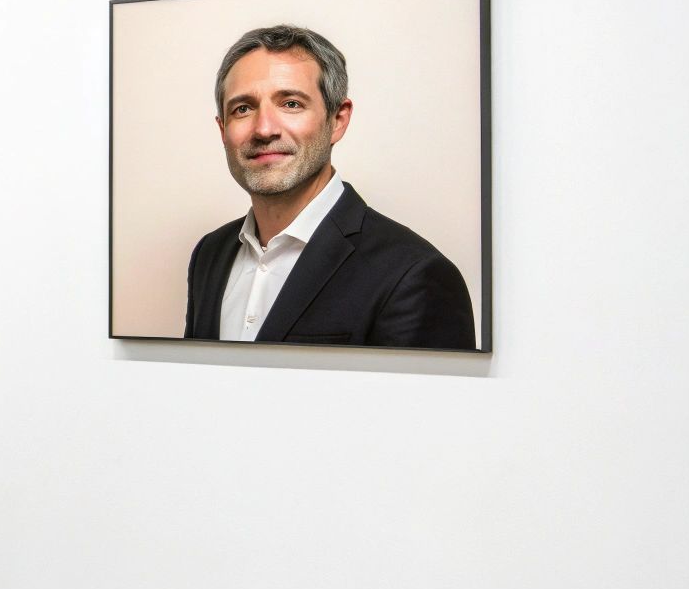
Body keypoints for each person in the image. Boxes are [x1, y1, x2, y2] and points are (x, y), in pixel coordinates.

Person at [183, 25, 475, 349]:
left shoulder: (413, 275)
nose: (264, 129)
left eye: (291, 103)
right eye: (243, 109)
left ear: (337, 120)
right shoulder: (210, 254)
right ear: (223, 130)